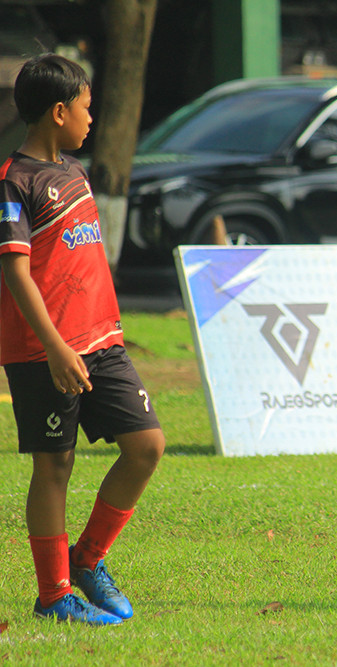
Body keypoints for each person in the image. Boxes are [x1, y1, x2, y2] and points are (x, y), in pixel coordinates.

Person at [0, 54, 165, 625]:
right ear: (59, 110)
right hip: (43, 350)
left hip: (102, 342)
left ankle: (88, 560)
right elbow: (16, 272)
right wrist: (53, 347)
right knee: (55, 466)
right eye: (87, 108)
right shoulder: (14, 182)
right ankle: (54, 597)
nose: (93, 119)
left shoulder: (75, 172)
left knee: (147, 446)